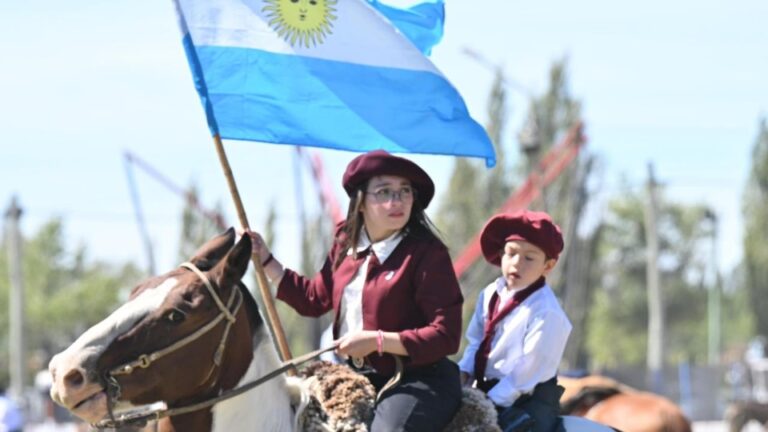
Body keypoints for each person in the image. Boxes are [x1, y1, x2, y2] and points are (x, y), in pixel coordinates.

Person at [247, 149, 464, 432]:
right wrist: (265, 260)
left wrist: (378, 341)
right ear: (360, 202)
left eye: (404, 191)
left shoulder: (428, 253)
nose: (395, 201)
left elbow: (446, 336)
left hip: (418, 379)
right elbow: (314, 299)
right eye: (384, 192)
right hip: (352, 375)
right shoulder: (345, 243)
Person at [457, 210, 572, 432]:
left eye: (529, 258)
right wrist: (462, 376)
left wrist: (487, 402)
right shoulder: (490, 293)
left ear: (547, 266)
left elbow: (527, 372)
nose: (517, 263)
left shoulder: (546, 311)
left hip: (527, 397)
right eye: (511, 253)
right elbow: (476, 342)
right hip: (486, 389)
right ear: (501, 255)